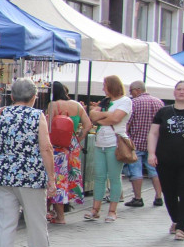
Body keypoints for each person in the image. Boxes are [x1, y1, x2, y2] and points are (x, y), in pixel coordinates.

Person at [0, 78, 64, 247]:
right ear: (34, 97)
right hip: (31, 176)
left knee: (4, 222)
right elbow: (46, 148)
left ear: (12, 96)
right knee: (37, 221)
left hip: (3, 174)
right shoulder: (37, 116)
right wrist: (51, 178)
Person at [85, 75, 132, 222]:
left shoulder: (125, 101)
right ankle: (95, 209)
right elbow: (92, 115)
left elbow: (116, 119)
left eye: (105, 85)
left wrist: (101, 116)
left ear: (111, 86)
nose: (103, 88)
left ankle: (112, 210)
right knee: (99, 176)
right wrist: (106, 115)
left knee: (114, 177)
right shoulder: (105, 101)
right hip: (100, 142)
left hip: (115, 142)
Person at [147, 80, 184, 240]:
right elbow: (154, 133)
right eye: (179, 89)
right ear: (174, 92)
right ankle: (176, 220)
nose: (182, 92)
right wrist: (152, 153)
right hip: (165, 160)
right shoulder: (164, 112)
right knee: (169, 193)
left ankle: (181, 228)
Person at [46, 81, 90, 224]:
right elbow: (88, 124)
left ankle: (60, 216)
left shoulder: (53, 105)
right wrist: (78, 138)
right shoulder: (77, 105)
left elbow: (47, 128)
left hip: (57, 146)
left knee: (57, 180)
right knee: (67, 179)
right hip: (72, 146)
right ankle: (54, 212)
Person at [125, 80, 164, 208]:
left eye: (131, 91)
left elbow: (128, 123)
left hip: (136, 142)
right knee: (154, 171)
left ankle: (138, 198)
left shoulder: (134, 103)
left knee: (136, 171)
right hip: (155, 144)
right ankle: (158, 197)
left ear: (137, 90)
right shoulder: (159, 102)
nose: (131, 94)